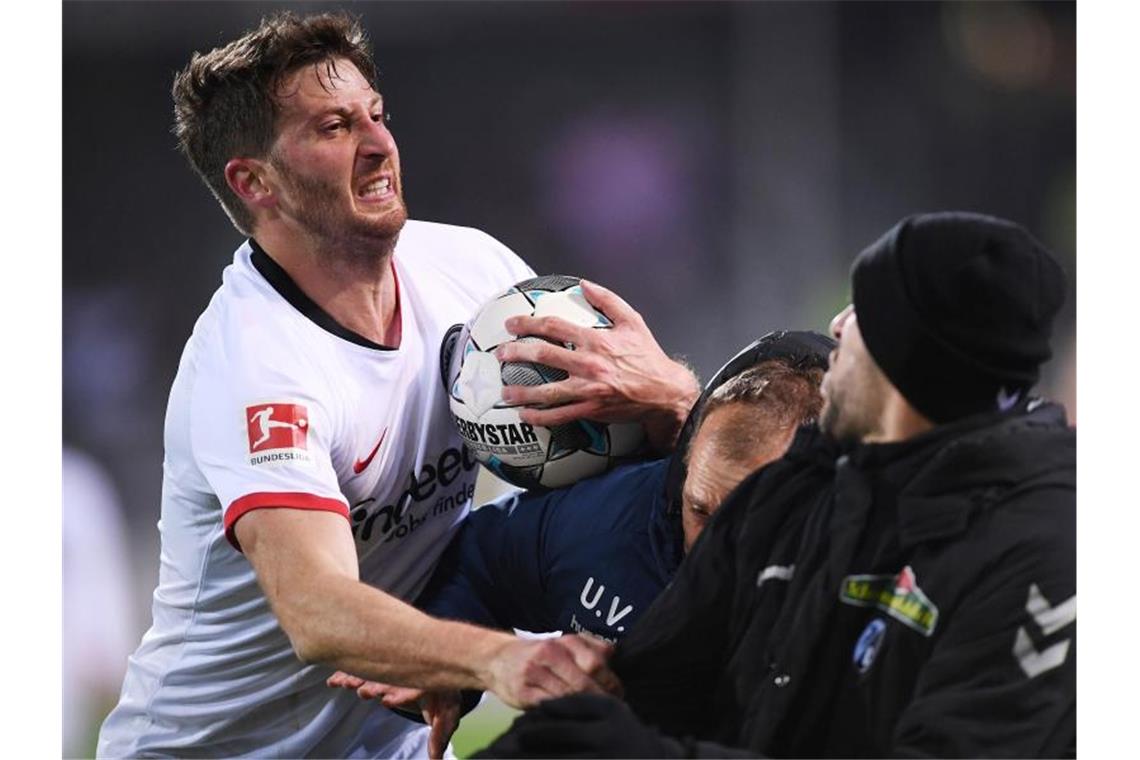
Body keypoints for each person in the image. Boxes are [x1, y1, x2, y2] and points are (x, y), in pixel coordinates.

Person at [97, 11, 698, 759]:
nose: (380, 145)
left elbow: (612, 470)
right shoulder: (256, 366)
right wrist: (498, 656)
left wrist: (672, 396)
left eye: (376, 116)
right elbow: (315, 609)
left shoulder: (475, 274)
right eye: (334, 128)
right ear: (255, 183)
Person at [481, 211, 1076, 758]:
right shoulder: (804, 486)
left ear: (908, 360)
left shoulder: (1050, 555)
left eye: (864, 313)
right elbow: (646, 683)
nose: (837, 325)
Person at [327, 331, 832, 715]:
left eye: (755, 524)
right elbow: (485, 565)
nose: (713, 551)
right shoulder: (610, 522)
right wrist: (454, 671)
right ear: (685, 471)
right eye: (701, 510)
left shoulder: (887, 599)